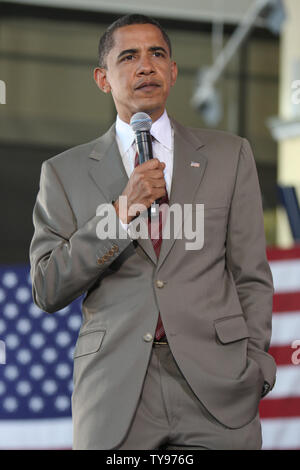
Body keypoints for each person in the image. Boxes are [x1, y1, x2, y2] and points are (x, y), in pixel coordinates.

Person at [29, 14, 276, 450]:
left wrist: (255, 364)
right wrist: (121, 214)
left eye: (157, 54)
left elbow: (251, 275)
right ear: (103, 79)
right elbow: (48, 286)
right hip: (117, 393)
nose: (146, 66)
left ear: (174, 71)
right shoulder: (62, 173)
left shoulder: (229, 155)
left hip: (217, 392)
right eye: (129, 57)